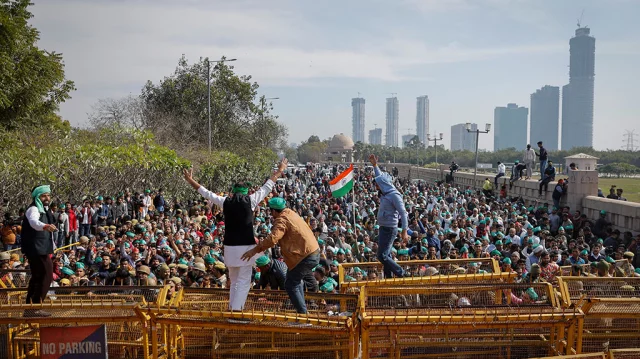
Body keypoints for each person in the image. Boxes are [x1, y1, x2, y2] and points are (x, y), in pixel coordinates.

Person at [183, 157, 288, 312]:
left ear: (233, 192)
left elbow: (206, 193)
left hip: (230, 248)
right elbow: (267, 186)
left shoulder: (225, 201)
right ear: (246, 192)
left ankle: (232, 308)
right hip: (246, 247)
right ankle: (237, 311)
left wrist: (190, 180)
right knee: (244, 280)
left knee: (234, 279)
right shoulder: (251, 200)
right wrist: (279, 171)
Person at [241, 197, 320, 315]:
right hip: (310, 253)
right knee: (294, 281)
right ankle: (303, 311)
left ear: (273, 211)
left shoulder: (282, 219)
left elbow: (273, 239)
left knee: (290, 284)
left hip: (304, 256)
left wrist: (254, 250)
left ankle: (303, 314)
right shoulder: (290, 213)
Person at [369, 154, 409, 278]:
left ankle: (402, 273)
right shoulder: (386, 192)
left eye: (378, 185)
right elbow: (380, 176)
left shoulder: (394, 195)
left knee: (382, 256)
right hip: (383, 227)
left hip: (390, 228)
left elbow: (403, 213)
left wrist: (404, 231)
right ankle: (389, 276)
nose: (376, 186)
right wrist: (375, 165)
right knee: (386, 255)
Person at [21, 185, 57, 315]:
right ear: (37, 196)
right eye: (44, 195)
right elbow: (34, 223)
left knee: (37, 277)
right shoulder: (34, 209)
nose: (47, 198)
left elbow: (49, 234)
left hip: (41, 247)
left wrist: (53, 246)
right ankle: (35, 307)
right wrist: (45, 226)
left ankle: (29, 308)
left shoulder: (45, 210)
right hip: (36, 248)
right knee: (47, 275)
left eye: (48, 195)